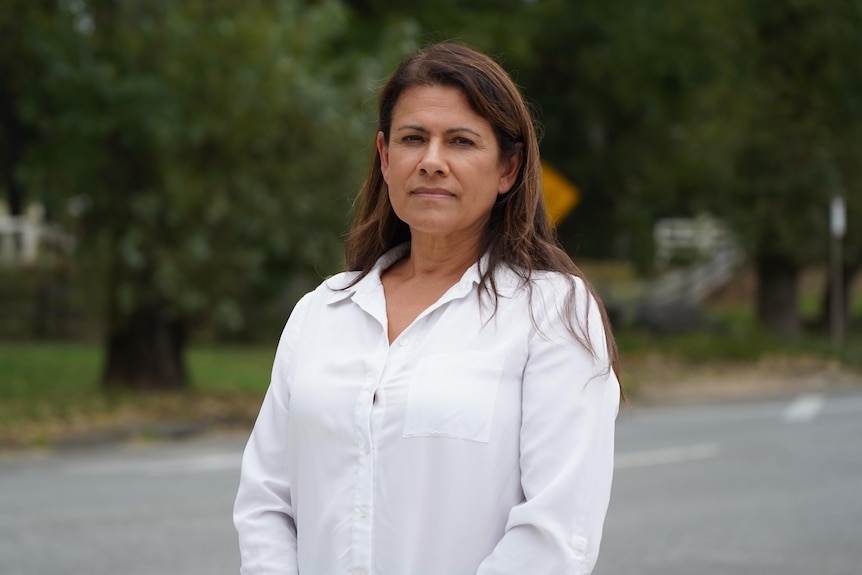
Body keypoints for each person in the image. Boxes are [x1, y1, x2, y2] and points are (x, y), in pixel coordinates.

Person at [233, 41, 622, 575]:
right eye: (413, 139)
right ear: (386, 157)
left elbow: (558, 533)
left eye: (461, 142)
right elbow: (266, 502)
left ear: (508, 169)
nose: (432, 162)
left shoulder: (550, 313)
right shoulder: (322, 311)